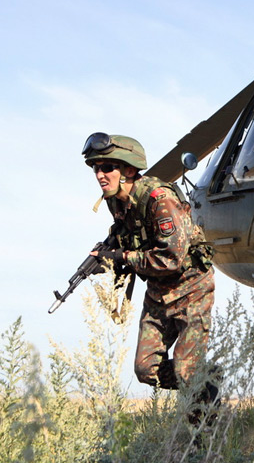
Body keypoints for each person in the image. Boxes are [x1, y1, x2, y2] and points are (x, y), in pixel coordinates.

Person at [81, 132, 216, 398]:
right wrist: (107, 258)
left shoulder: (159, 199)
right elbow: (128, 235)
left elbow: (171, 258)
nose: (100, 175)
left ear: (129, 170)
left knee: (187, 371)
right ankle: (203, 380)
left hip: (191, 288)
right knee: (146, 370)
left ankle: (203, 418)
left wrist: (123, 258)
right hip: (158, 291)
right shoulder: (115, 201)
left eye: (107, 168)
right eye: (96, 168)